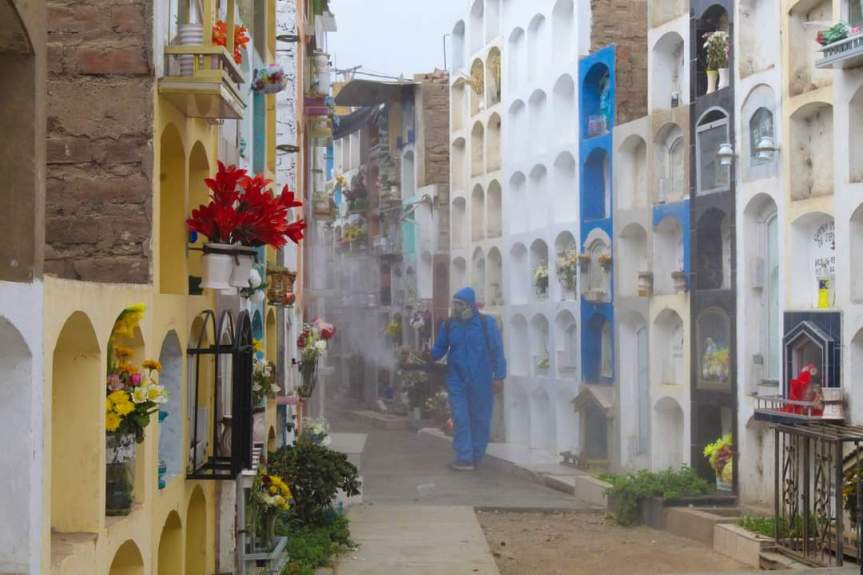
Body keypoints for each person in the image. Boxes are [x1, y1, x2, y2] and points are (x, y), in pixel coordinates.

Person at [431, 287, 507, 471]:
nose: (456, 308)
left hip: (481, 379)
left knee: (480, 418)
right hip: (457, 378)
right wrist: (426, 357)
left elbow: (497, 351)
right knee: (460, 416)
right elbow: (439, 349)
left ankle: (476, 455)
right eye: (454, 304)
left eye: (460, 304)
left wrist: (499, 376)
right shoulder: (449, 325)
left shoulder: (485, 324)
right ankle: (464, 458)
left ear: (471, 305)